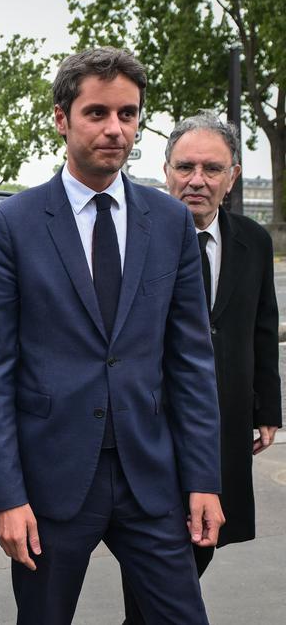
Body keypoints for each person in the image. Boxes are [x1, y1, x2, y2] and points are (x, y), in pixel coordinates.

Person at [0, 47, 224, 624]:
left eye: (129, 114)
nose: (116, 129)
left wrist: (204, 479)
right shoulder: (14, 224)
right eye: (97, 113)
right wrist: (7, 496)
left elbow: (190, 361)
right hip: (50, 481)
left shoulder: (169, 222)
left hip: (151, 475)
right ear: (62, 118)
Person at [121, 111, 282, 622]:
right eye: (185, 166)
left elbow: (262, 328)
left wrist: (268, 407)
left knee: (204, 541)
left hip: (223, 420)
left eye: (212, 169)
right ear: (166, 171)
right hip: (147, 423)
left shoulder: (252, 242)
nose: (197, 180)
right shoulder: (132, 236)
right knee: (155, 550)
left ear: (233, 177)